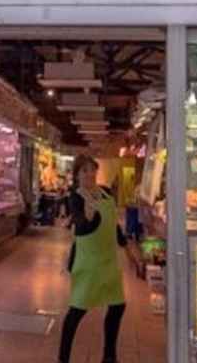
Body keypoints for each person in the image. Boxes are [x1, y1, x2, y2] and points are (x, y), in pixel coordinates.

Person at [59, 155, 131, 363]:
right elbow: (81, 226)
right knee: (77, 311)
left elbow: (114, 226)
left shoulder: (106, 193)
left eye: (92, 170)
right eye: (84, 171)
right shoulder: (76, 197)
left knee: (117, 305)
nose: (90, 174)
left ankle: (109, 356)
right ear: (77, 175)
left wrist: (127, 248)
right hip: (88, 262)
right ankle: (63, 359)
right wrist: (88, 217)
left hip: (108, 261)